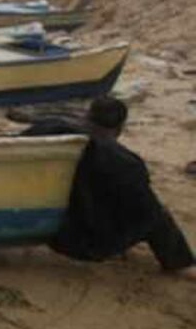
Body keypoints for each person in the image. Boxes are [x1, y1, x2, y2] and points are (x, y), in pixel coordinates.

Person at [28, 96, 196, 281]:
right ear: (120, 128)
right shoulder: (126, 163)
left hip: (45, 228)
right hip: (90, 244)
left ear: (87, 115)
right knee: (157, 215)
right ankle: (181, 264)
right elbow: (146, 212)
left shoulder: (48, 128)